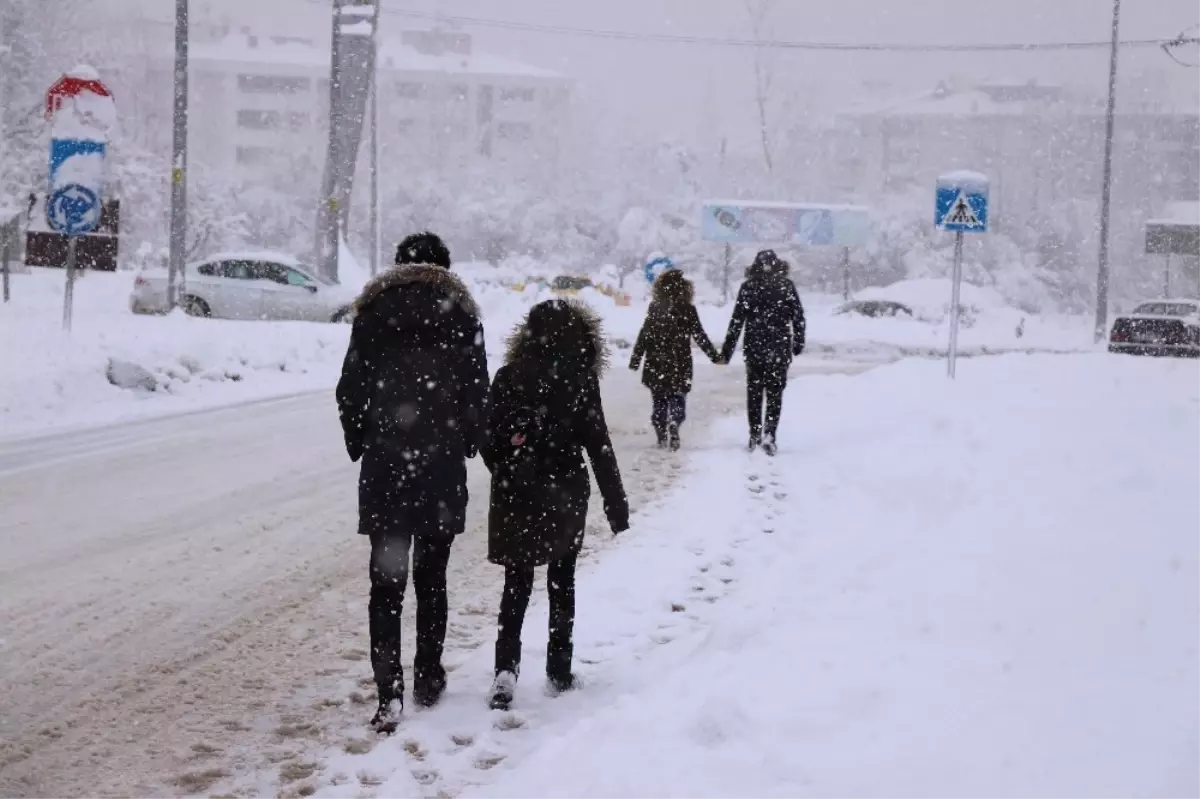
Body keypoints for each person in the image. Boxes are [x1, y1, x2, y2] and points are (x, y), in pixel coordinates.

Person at [336, 232, 489, 733]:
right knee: (433, 577)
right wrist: (466, 440)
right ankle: (427, 674)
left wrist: (362, 440)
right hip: (440, 464)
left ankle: (389, 690)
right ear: (445, 267)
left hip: (386, 464)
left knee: (386, 585)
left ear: (397, 265)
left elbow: (350, 389)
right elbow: (476, 392)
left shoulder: (373, 312)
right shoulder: (462, 314)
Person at [481, 299, 630, 710]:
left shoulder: (508, 377)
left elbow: (486, 439)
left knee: (517, 583)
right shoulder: (581, 380)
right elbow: (599, 445)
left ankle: (505, 670)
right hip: (565, 491)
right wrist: (615, 504)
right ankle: (559, 668)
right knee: (562, 581)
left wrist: (508, 469)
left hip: (517, 492)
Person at [720, 249, 806, 456]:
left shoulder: (748, 287)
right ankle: (770, 434)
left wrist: (726, 351)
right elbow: (798, 316)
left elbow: (737, 320)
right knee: (775, 394)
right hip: (779, 347)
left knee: (755, 392)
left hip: (755, 348)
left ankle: (755, 433)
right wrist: (798, 342)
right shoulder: (786, 286)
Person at [629, 266, 722, 450]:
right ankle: (675, 422)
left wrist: (636, 358)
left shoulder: (655, 308)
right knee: (678, 396)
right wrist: (714, 356)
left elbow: (645, 334)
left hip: (656, 361)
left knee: (659, 399)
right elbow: (699, 335)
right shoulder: (688, 309)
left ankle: (661, 430)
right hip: (680, 361)